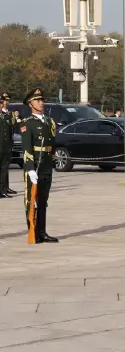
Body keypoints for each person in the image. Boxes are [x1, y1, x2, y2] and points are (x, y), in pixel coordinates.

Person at [20, 88, 57, 243]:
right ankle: (32, 230)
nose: (41, 103)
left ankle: (42, 231)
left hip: (46, 165)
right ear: (30, 104)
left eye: (42, 100)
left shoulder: (49, 121)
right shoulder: (27, 124)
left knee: (43, 200)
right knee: (31, 199)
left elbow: (52, 144)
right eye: (37, 100)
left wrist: (53, 161)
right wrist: (29, 168)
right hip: (35, 165)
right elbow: (27, 149)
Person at [0, 93, 16, 197]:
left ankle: (4, 189)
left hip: (6, 145)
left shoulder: (8, 115)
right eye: (2, 102)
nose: (4, 103)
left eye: (4, 101)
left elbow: (11, 130)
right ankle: (2, 190)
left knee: (4, 168)